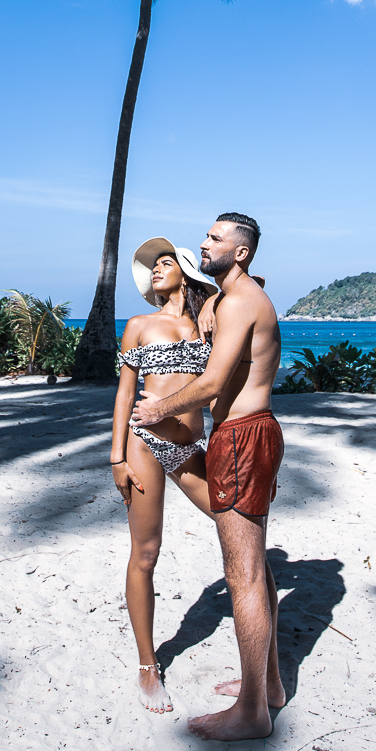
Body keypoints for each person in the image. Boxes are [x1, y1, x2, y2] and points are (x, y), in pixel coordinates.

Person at [131, 212, 283, 741]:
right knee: (254, 566)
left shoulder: (241, 301)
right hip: (236, 436)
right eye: (205, 235)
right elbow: (203, 304)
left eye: (215, 239)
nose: (203, 243)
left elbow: (215, 380)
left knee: (243, 573)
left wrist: (159, 408)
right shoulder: (228, 298)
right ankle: (269, 687)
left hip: (243, 437)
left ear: (241, 252)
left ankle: (252, 713)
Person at [111, 238, 218, 714]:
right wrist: (117, 456)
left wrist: (212, 299)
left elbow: (251, 288)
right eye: (153, 266)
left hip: (191, 447)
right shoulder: (139, 325)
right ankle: (147, 664)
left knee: (231, 516)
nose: (155, 269)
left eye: (166, 262)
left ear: (186, 273)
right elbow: (124, 394)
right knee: (146, 552)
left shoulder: (209, 323)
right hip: (144, 444)